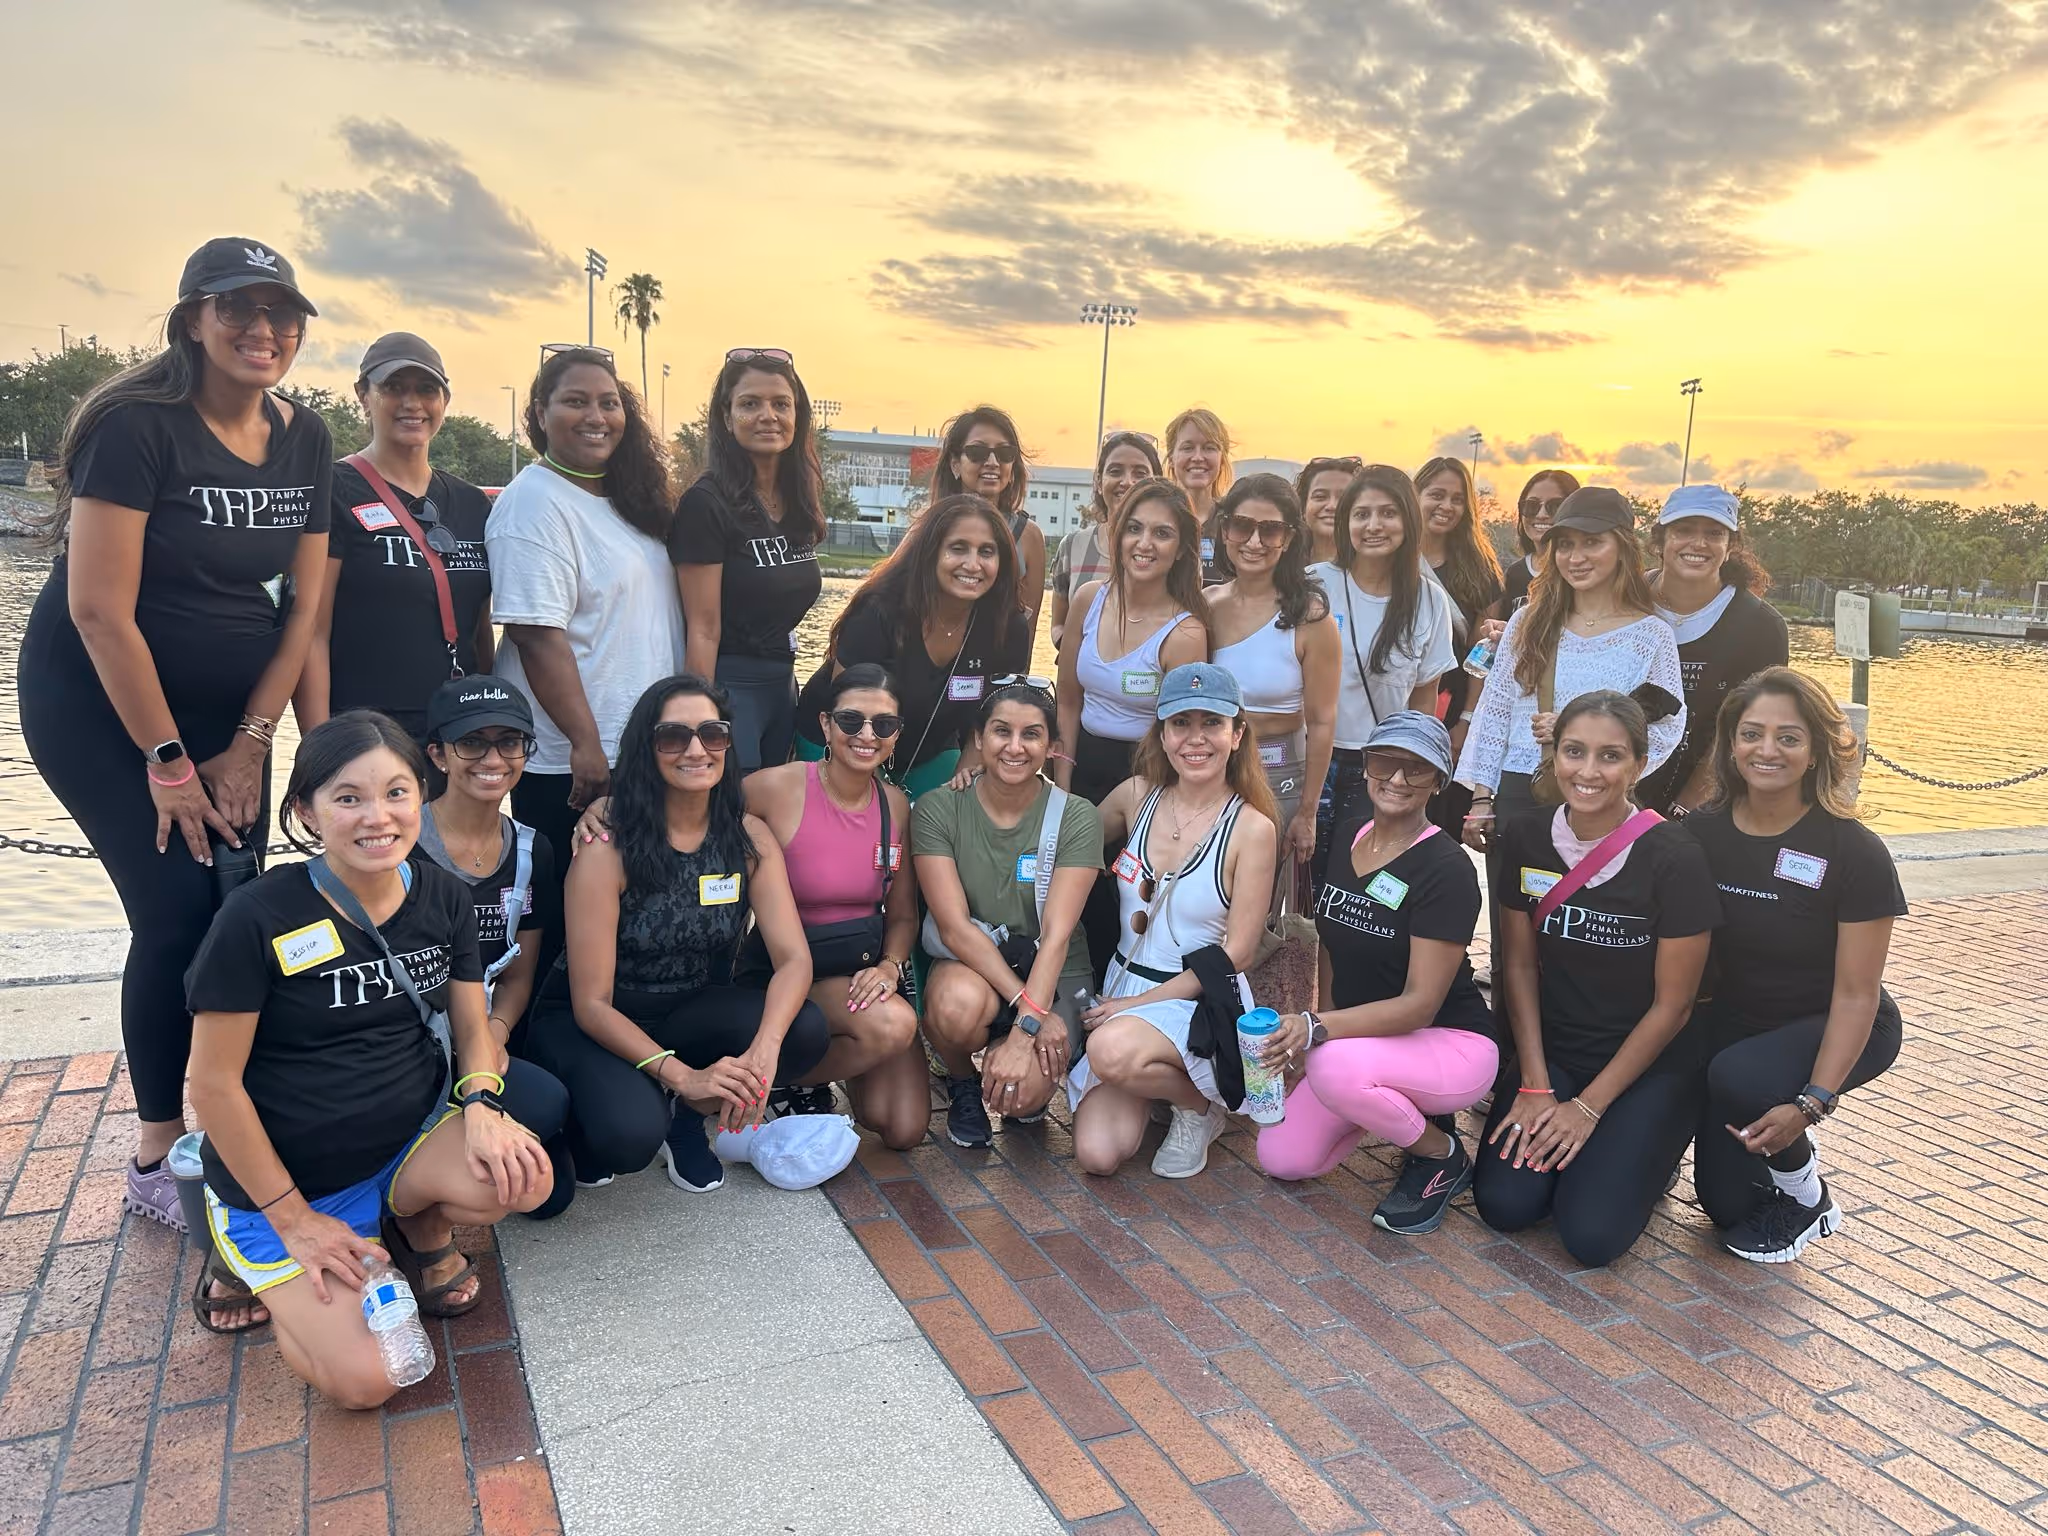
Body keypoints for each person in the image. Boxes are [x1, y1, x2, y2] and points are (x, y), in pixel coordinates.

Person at [18, 237, 333, 1230]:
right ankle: (158, 1150)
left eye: (281, 312)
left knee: (233, 916)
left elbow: (305, 612)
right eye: (237, 308)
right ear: (192, 318)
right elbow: (101, 613)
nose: (263, 329)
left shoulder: (305, 438)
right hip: (104, 710)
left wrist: (251, 740)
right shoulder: (138, 428)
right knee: (171, 913)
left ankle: (234, 1112)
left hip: (232, 709)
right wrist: (166, 763)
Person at [185, 712, 551, 1391]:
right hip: (291, 1181)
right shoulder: (259, 917)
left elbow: (473, 1028)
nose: (376, 816)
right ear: (306, 811)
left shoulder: (441, 894)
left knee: (524, 1173)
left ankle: (415, 1224)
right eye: (348, 797)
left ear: (422, 794)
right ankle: (247, 1255)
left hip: (402, 1139)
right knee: (368, 1381)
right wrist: (295, 1222)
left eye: (396, 792)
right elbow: (211, 1087)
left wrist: (480, 1105)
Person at [524, 676, 830, 1195]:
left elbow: (794, 960)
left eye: (712, 733)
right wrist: (683, 1074)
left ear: (728, 743)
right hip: (595, 1020)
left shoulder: (748, 836)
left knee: (804, 1029)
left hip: (688, 1010)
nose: (696, 750)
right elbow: (592, 1004)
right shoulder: (607, 846)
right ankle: (607, 1107)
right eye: (673, 736)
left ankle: (684, 1115)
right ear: (648, 747)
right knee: (624, 1138)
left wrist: (764, 1051)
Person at [1474, 691, 1718, 1266]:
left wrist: (1587, 1108)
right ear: (1553, 755)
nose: (1588, 772)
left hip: (1646, 1066)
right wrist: (1535, 1082)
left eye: (1610, 757)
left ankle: (1647, 1147)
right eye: (1574, 752)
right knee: (1506, 1207)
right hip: (1555, 1055)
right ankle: (1593, 1149)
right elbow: (1519, 967)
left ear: (1638, 764)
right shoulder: (1528, 837)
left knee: (1591, 1236)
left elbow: (1674, 1007)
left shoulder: (1675, 857)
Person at [1684, 668, 1905, 1263]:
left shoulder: (1853, 850)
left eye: (1789, 737)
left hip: (1840, 1024)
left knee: (1739, 1077)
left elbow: (1858, 995)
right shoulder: (1700, 835)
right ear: (1730, 745)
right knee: (1726, 1205)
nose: (1767, 750)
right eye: (1752, 734)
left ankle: (1806, 1197)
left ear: (1814, 752)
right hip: (1740, 1025)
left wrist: (1812, 1102)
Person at [1254, 714, 1497, 1236]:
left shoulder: (1447, 868)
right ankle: (1383, 1100)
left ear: (1440, 781)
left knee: (1337, 1066)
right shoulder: (1346, 833)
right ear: (1365, 766)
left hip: (1450, 1042)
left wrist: (1316, 1030)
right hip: (1363, 1041)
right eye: (1385, 761)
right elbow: (1330, 942)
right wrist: (1323, 1028)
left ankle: (1441, 1155)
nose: (1398, 779)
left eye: (1418, 769)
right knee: (1282, 1157)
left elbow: (1419, 1006)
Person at [487, 346, 682, 948]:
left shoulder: (624, 499)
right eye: (576, 401)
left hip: (637, 746)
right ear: (540, 413)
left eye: (609, 402)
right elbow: (536, 636)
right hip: (573, 762)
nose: (597, 416)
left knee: (631, 917)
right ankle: (539, 1039)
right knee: (570, 926)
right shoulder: (535, 503)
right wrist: (586, 744)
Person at [1070, 664, 1279, 1179]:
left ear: (1237, 733)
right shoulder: (1137, 794)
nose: (1195, 739)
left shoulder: (1253, 827)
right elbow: (1067, 846)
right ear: (1161, 734)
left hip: (1196, 1003)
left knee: (1110, 1049)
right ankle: (1162, 1085)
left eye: (1212, 723)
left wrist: (1134, 1007)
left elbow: (1240, 953)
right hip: (1124, 987)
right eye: (1180, 723)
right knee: (1097, 1154)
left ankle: (1200, 1108)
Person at [1455, 487, 1685, 948]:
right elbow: (1496, 711)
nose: (1575, 557)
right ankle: (1513, 1021)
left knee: (1583, 929)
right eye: (1565, 544)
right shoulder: (1530, 621)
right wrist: (1482, 799)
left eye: (1591, 542)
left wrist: (1599, 764)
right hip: (1522, 790)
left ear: (1622, 547)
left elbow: (1666, 726)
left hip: (1597, 799)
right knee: (1514, 934)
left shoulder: (1651, 636)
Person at [742, 666, 930, 1148]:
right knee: (891, 1025)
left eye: (883, 725)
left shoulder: (895, 805)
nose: (867, 735)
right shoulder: (775, 787)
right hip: (785, 973)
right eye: (852, 721)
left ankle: (799, 1076)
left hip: (861, 972)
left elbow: (904, 914)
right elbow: (686, 803)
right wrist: (609, 809)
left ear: (896, 735)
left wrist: (891, 966)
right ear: (825, 724)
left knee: (902, 1126)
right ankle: (766, 1083)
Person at [914, 684, 1102, 1149]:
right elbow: (955, 928)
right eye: (1001, 731)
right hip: (978, 962)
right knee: (952, 1009)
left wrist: (1024, 1034)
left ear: (1052, 747)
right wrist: (1028, 1013)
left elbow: (1057, 936)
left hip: (1052, 968)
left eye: (1031, 735)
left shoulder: (1077, 817)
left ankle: (1008, 1061)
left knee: (1019, 1100)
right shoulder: (940, 808)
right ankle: (962, 1082)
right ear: (978, 737)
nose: (1015, 747)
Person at [414, 677, 571, 1214]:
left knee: (551, 1185)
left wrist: (495, 1033)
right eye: (472, 742)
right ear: (437, 754)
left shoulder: (532, 850)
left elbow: (520, 969)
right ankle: (411, 1204)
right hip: (408, 1035)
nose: (494, 758)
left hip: (484, 1029)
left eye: (510, 742)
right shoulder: (399, 842)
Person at [296, 333, 493, 739]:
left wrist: (488, 725)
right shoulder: (333, 490)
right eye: (393, 388)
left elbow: (479, 628)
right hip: (368, 737)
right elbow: (311, 633)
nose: (412, 403)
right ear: (363, 396)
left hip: (458, 739)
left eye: (426, 390)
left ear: (445, 401)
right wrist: (318, 748)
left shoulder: (473, 504)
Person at [792, 493, 1033, 797]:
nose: (973, 564)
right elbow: (848, 715)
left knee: (955, 813)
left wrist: (963, 784)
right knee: (872, 823)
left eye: (987, 552)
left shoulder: (1008, 628)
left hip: (928, 749)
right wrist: (882, 797)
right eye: (958, 549)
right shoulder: (880, 611)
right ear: (930, 553)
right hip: (844, 737)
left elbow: (991, 718)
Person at [670, 348, 825, 773]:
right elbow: (702, 629)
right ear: (725, 417)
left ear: (798, 415)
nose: (768, 415)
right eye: (749, 404)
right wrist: (700, 724)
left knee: (772, 823)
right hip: (729, 689)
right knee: (734, 817)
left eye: (781, 404)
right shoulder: (706, 503)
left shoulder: (798, 503)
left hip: (781, 687)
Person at [1309, 465, 1457, 877]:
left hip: (1379, 766)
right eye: (1361, 514)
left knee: (1356, 877)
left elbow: (1424, 699)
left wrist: (1414, 771)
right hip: (1309, 758)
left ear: (1408, 522)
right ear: (1346, 523)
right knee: (1301, 878)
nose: (1374, 525)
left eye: (1388, 513)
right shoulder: (1315, 585)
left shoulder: (1429, 601)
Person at [1205, 473, 1338, 862]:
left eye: (1271, 530)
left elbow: (1323, 722)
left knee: (1260, 907)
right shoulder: (1205, 605)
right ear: (1225, 528)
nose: (1254, 542)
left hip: (1277, 778)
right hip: (1205, 771)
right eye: (1242, 526)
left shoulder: (1311, 618)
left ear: (1290, 537)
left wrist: (1308, 812)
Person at [1637, 486, 1789, 817]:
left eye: (1713, 533)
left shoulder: (1760, 627)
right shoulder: (1625, 600)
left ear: (1731, 545)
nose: (1698, 543)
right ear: (1660, 540)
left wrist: (1685, 810)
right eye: (1683, 530)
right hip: (1608, 792)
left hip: (1702, 808)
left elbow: (1751, 727)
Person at [1414, 456, 1504, 840]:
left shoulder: (1479, 569)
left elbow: (1482, 656)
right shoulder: (1390, 557)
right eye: (1436, 494)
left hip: (1449, 708)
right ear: (1414, 496)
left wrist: (1466, 721)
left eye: (1456, 498)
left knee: (1435, 819)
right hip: (1391, 700)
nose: (1446, 506)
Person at [930, 407, 1045, 633]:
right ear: (955, 464)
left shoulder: (1029, 536)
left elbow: (1027, 634)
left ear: (1012, 469)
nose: (992, 462)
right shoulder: (928, 527)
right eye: (977, 452)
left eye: (1004, 453)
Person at [1050, 432, 1160, 649]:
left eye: (1140, 473)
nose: (1127, 482)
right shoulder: (1072, 547)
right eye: (1115, 471)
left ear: (1158, 483)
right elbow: (1058, 625)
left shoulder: (1174, 550)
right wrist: (1078, 651)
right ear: (1099, 483)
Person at [1163, 407, 1235, 583]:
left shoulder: (1235, 521)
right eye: (1187, 448)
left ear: (1222, 459)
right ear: (1171, 458)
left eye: (1209, 448)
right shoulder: (1157, 518)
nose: (1198, 457)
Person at [1501, 469, 1579, 614]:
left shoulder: (1581, 571)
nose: (1541, 514)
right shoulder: (1514, 574)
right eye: (1531, 506)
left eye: (1555, 506)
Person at [1295, 455, 1362, 568]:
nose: (1332, 506)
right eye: (1320, 496)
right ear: (1303, 507)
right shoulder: (1281, 566)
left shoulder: (1374, 569)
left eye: (1343, 498)